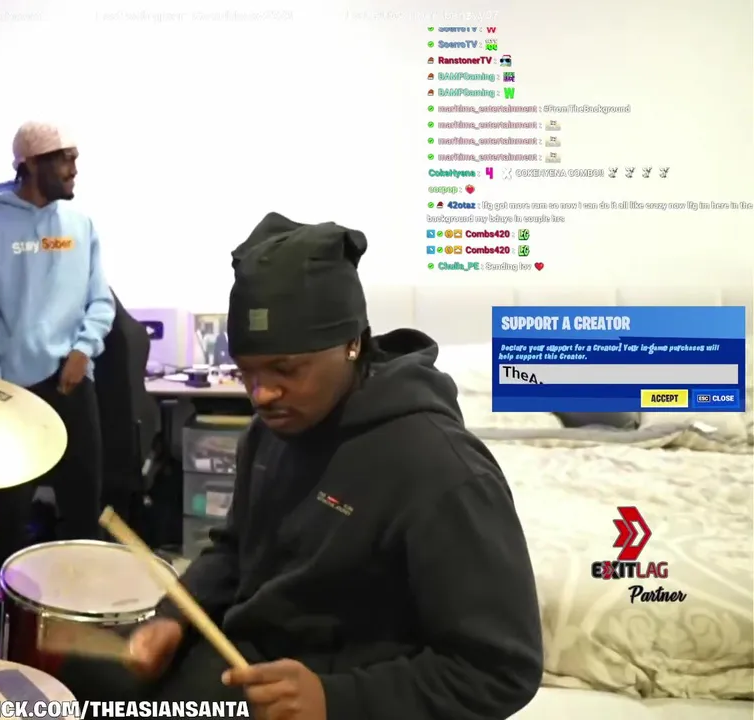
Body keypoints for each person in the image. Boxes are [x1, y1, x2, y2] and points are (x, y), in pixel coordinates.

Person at [58, 214, 543, 720]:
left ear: (352, 344)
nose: (262, 394)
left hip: (340, 688)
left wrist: (335, 700)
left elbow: (501, 669)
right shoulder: (270, 431)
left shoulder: (440, 470)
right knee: (72, 679)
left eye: (285, 370)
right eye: (247, 372)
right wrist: (176, 614)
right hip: (246, 654)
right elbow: (236, 548)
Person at [0, 121, 115, 646]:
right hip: (12, 396)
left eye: (75, 157)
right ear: (30, 165)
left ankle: (79, 611)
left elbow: (100, 300)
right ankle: (6, 617)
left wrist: (83, 349)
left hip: (72, 383)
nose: (74, 169)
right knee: (10, 515)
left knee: (82, 507)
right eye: (65, 159)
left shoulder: (80, 224)